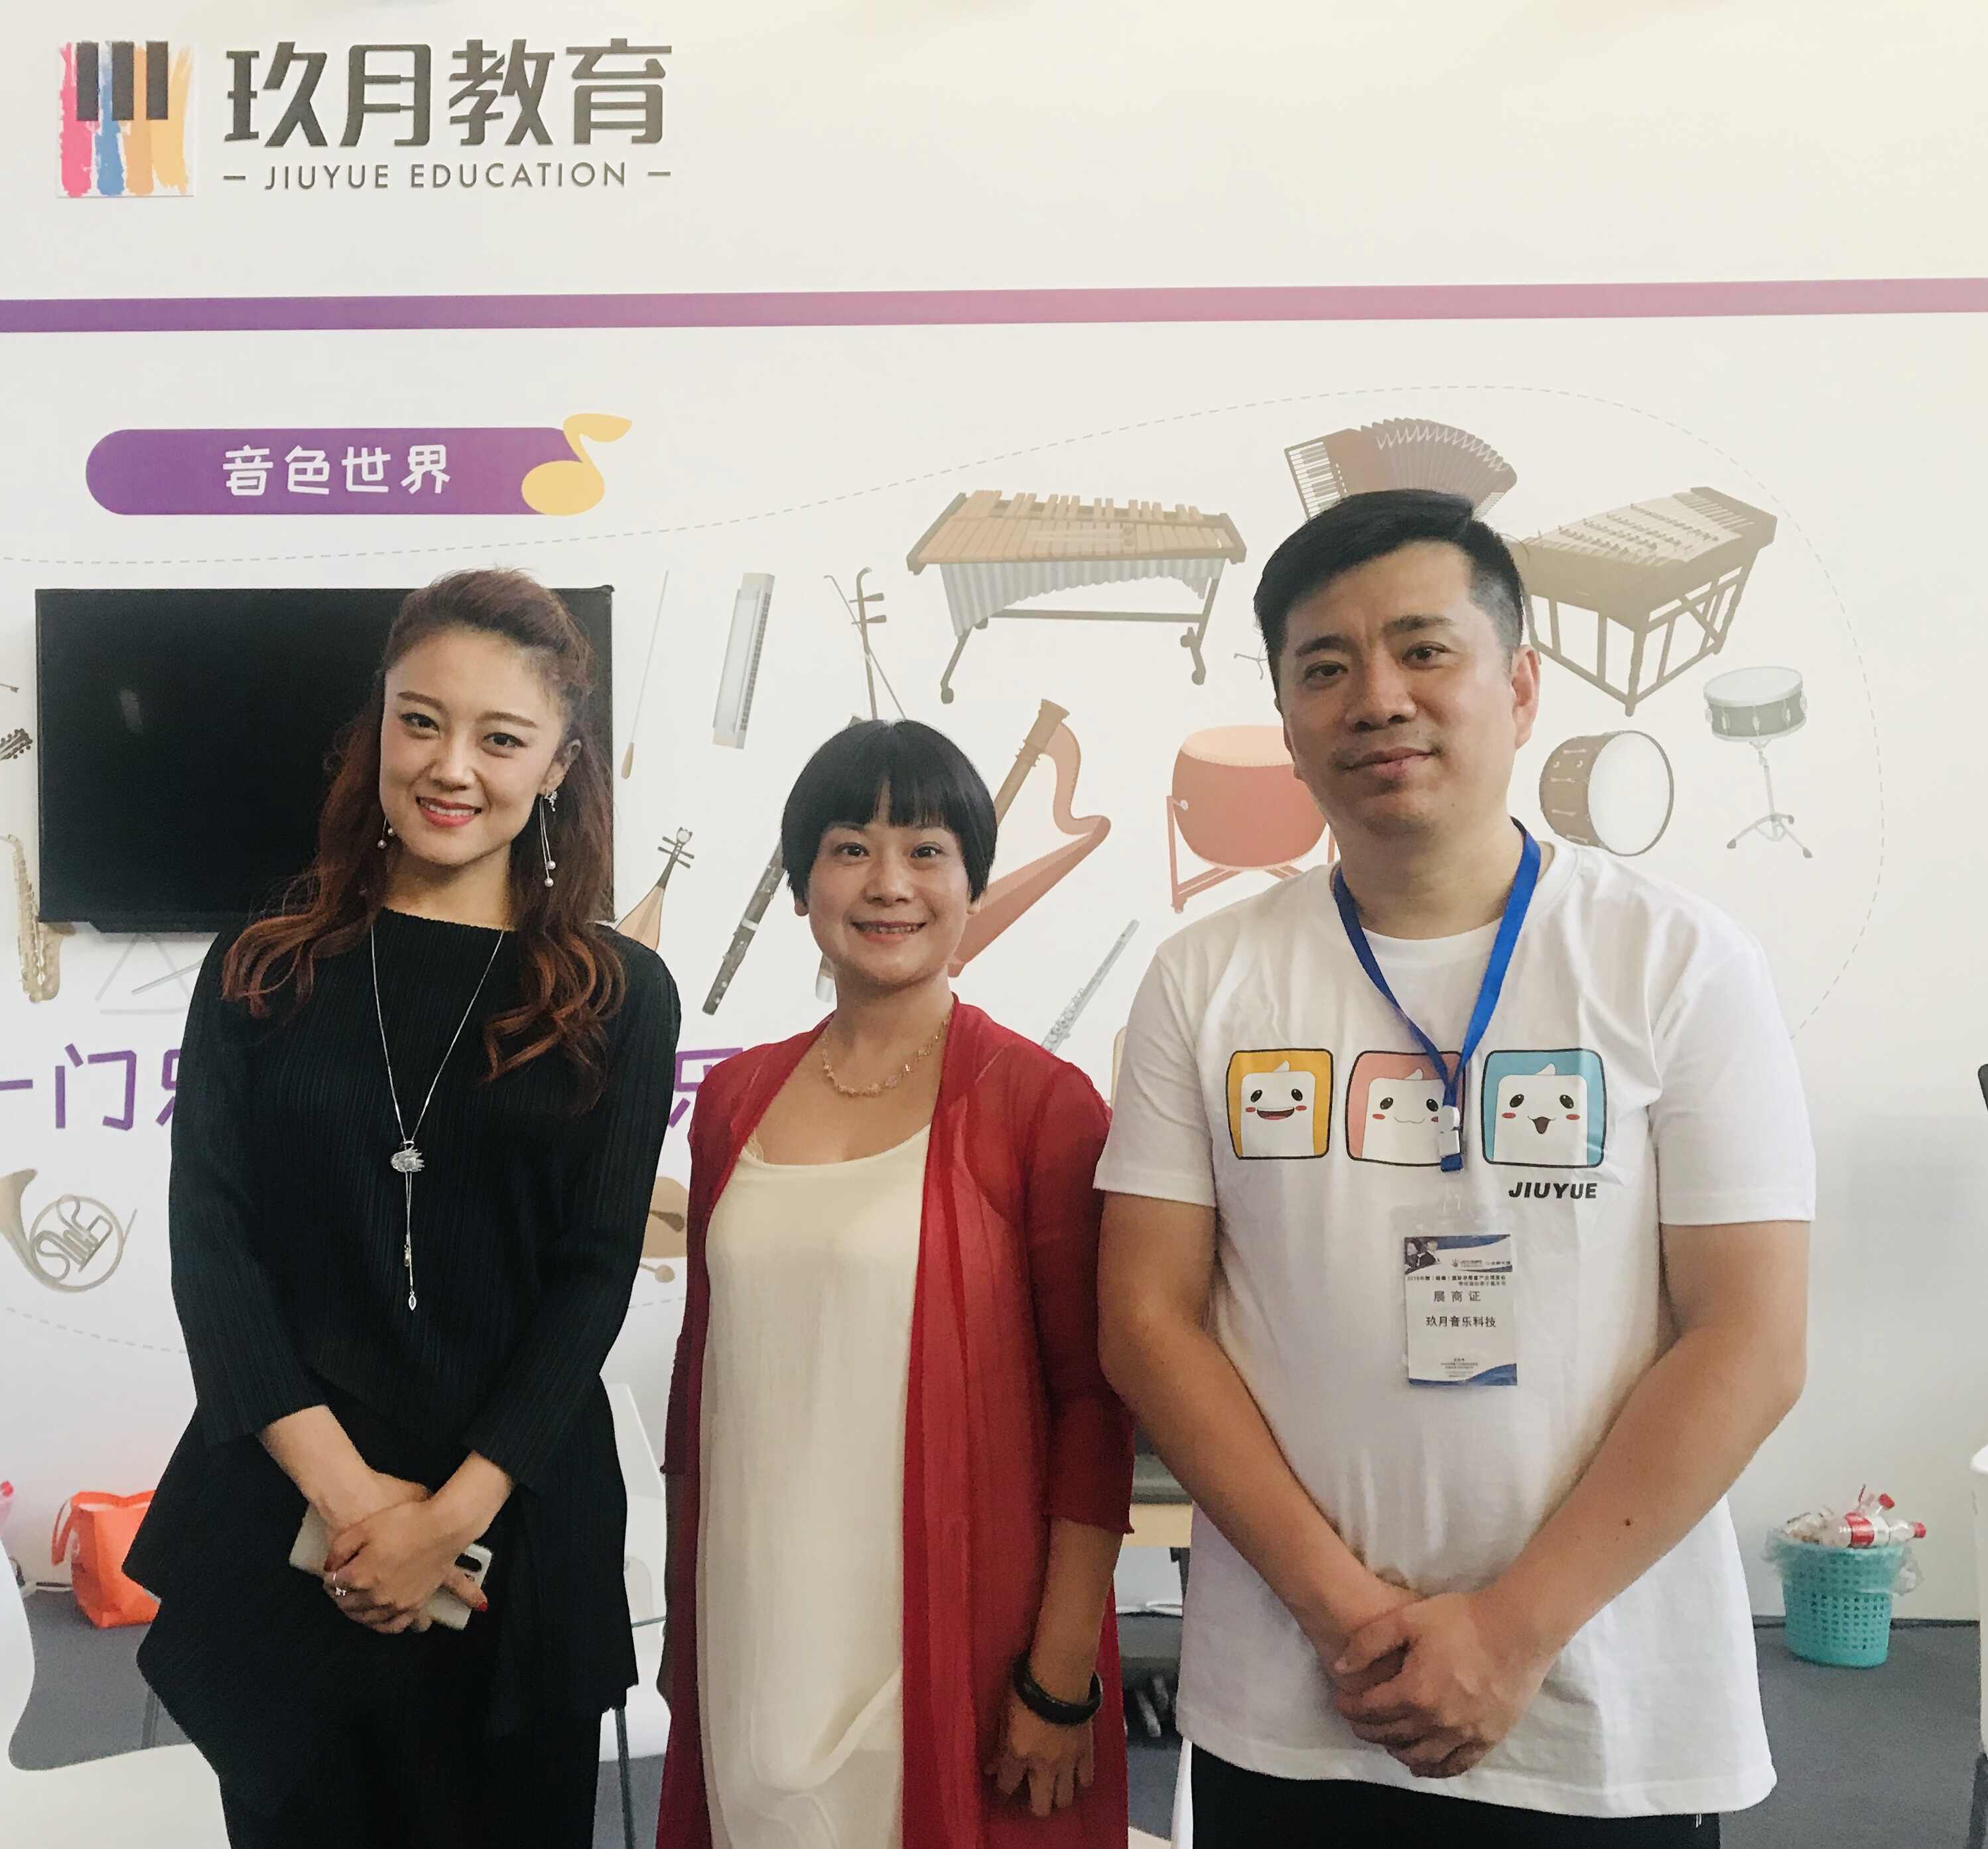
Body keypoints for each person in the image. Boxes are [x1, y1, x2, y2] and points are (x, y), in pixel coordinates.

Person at [1094, 490, 1815, 1846]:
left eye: (1424, 649)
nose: (1379, 698)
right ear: (1289, 720)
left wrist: (1509, 1631)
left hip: (1605, 1707)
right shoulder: (1207, 976)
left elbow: (1751, 1337)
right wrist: (1343, 1614)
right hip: (1295, 1702)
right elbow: (1146, 1319)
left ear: (1521, 686)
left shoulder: (1675, 961)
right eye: (1326, 667)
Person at [124, 569, 681, 1848]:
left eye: (501, 738)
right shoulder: (262, 967)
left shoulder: (619, 994)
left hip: (514, 1533)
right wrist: (360, 1511)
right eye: (419, 721)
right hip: (288, 1514)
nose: (450, 768)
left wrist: (446, 1521)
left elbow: (594, 1277)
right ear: (377, 725)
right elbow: (215, 1257)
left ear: (559, 764)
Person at [656, 719, 1136, 1849]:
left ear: (974, 885)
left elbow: (1092, 1404)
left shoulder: (1041, 1105)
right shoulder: (734, 1101)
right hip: (754, 1608)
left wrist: (1060, 1671)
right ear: (800, 885)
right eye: (848, 848)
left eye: (927, 850)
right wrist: (686, 1622)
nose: (887, 884)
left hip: (955, 1620)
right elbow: (702, 1378)